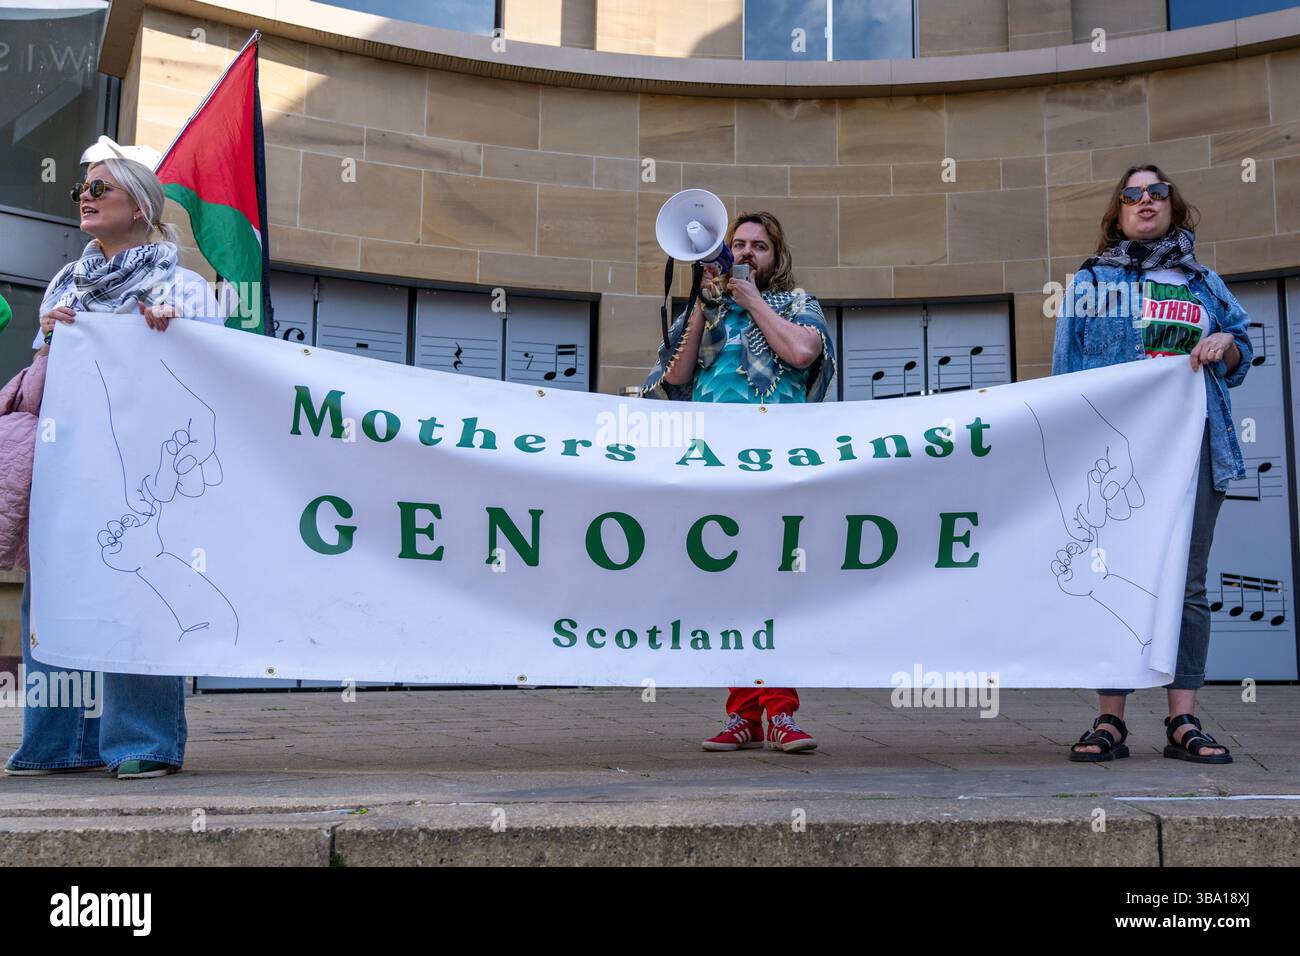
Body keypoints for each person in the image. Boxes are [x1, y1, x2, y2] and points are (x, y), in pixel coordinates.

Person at [3, 153, 224, 780]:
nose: (85, 195)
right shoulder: (65, 281)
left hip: (144, 467)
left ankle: (142, 742)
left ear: (141, 206)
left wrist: (177, 335)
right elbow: (48, 382)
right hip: (67, 459)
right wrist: (49, 336)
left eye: (101, 187)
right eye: (82, 187)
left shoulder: (183, 288)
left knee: (137, 593)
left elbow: (213, 382)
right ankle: (56, 743)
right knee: (51, 598)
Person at [1052, 164, 1253, 764]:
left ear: (1172, 205)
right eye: (1133, 194)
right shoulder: (1088, 282)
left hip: (1195, 449)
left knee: (1187, 583)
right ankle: (1109, 719)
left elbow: (1242, 350)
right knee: (1114, 575)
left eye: (1157, 193)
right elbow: (1068, 374)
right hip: (1117, 460)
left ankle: (1182, 718)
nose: (1146, 201)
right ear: (1117, 211)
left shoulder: (1203, 281)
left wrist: (1226, 344)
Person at [643, 211, 835, 753]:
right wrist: (703, 309)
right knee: (728, 586)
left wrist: (750, 298)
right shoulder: (705, 309)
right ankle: (744, 714)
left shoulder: (797, 304)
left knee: (773, 585)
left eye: (759, 246)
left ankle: (779, 711)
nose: (746, 252)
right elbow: (674, 379)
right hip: (714, 465)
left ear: (776, 257)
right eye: (739, 244)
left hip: (776, 463)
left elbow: (803, 353)